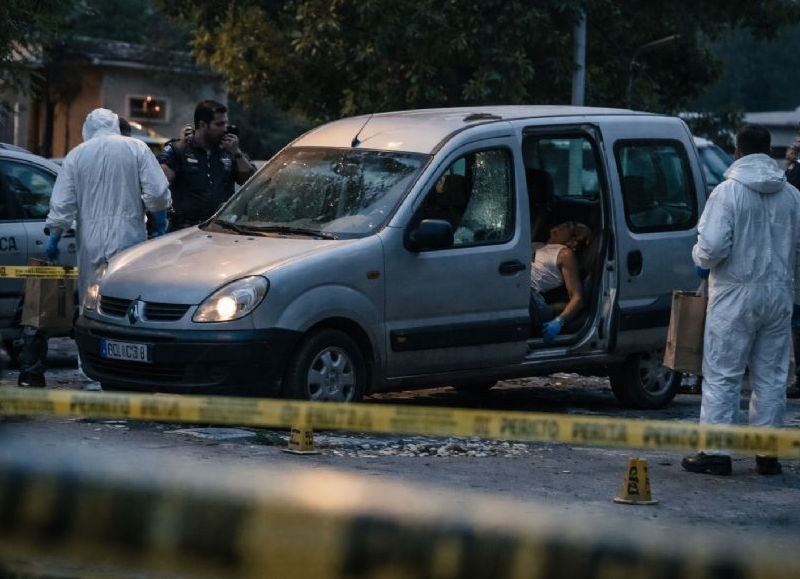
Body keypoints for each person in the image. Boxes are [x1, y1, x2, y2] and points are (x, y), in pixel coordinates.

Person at [18, 108, 171, 389]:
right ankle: (128, 367)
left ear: (88, 128)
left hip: (89, 243)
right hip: (129, 239)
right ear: (114, 125)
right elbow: (157, 192)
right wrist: (159, 221)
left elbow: (62, 204)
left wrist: (54, 237)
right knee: (125, 306)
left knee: (92, 307)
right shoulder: (136, 148)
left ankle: (91, 369)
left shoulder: (77, 155)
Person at [683, 123, 800, 476]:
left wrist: (700, 260)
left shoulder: (727, 192)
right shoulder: (791, 195)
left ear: (737, 151)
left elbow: (712, 248)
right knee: (772, 376)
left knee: (723, 373)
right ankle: (767, 454)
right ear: (769, 150)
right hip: (779, 293)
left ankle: (716, 453)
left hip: (734, 293)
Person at [157, 100, 255, 231]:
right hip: (184, 230)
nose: (225, 129)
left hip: (219, 229)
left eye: (226, 123)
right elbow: (158, 185)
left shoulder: (229, 150)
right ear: (203, 124)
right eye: (219, 124)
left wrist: (237, 153)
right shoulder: (178, 149)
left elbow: (252, 182)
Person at [529, 221, 592, 343]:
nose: (562, 225)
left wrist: (558, 322)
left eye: (569, 227)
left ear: (572, 242)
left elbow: (577, 298)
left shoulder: (564, 254)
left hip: (534, 302)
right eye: (565, 223)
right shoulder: (538, 245)